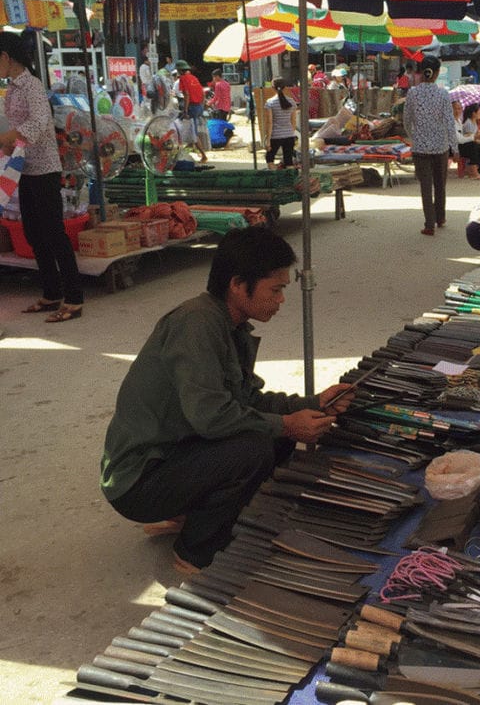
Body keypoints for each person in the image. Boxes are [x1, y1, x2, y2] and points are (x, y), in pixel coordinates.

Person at [100, 226, 355, 573]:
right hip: (139, 481)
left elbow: (248, 400)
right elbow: (212, 417)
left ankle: (191, 515)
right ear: (237, 284)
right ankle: (195, 552)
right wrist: (287, 424)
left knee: (275, 438)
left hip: (175, 454)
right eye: (276, 290)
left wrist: (312, 403)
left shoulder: (228, 324)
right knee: (255, 448)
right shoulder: (196, 325)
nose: (281, 300)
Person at [0, 31, 84, 323]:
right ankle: (51, 293)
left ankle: (74, 298)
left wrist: (8, 137)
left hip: (45, 168)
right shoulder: (12, 88)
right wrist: (9, 143)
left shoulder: (32, 86)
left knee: (54, 233)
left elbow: (38, 122)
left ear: (6, 58)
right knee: (34, 233)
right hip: (24, 167)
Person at [403, 55, 457, 236]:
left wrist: (414, 137)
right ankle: (440, 217)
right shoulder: (443, 93)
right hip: (440, 147)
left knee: (425, 187)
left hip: (420, 148)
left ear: (421, 72)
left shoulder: (412, 93)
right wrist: (454, 148)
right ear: (437, 73)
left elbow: (406, 120)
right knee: (440, 185)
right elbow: (450, 122)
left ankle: (429, 225)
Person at [175, 59, 208, 163]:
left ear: (180, 70)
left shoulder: (183, 79)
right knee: (190, 130)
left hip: (191, 107)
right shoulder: (194, 78)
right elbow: (202, 93)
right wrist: (201, 106)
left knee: (191, 133)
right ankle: (192, 150)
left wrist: (185, 110)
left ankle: (203, 155)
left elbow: (186, 95)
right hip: (199, 106)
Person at [262, 77, 298, 170]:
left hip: (275, 135)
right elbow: (293, 121)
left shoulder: (270, 102)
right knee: (288, 160)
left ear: (273, 88)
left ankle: (275, 178)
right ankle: (289, 181)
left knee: (269, 158)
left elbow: (269, 122)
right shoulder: (292, 102)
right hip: (289, 135)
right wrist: (291, 132)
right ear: (285, 87)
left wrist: (268, 139)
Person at [456, 103, 480, 178]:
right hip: (466, 144)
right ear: (474, 113)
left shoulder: (474, 122)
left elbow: (479, 134)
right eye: (479, 111)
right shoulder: (468, 123)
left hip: (471, 141)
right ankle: (478, 168)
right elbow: (471, 138)